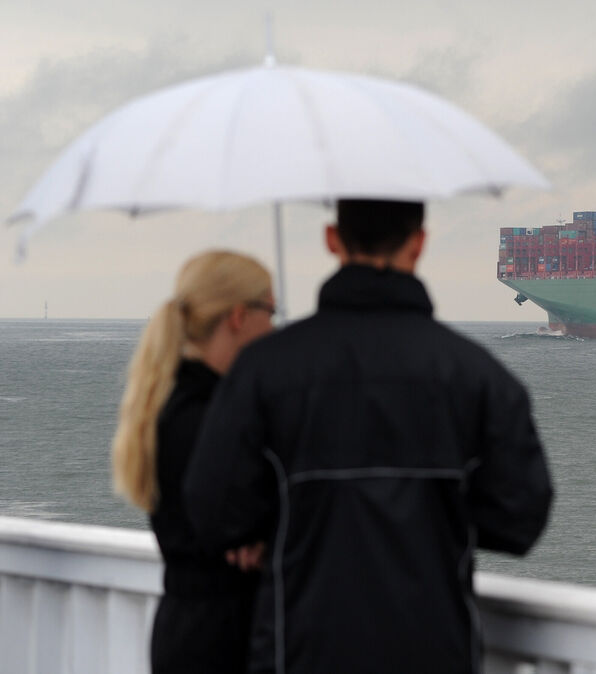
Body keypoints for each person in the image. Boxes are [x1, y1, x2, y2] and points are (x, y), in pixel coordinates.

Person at [183, 199, 553, 674]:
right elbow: (521, 520)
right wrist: (437, 509)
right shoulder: (480, 377)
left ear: (332, 239)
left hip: (298, 653)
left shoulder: (263, 370)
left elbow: (212, 512)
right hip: (435, 655)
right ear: (419, 244)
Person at [111, 249, 276, 673]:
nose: (273, 327)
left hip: (185, 629)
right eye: (270, 312)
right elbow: (243, 519)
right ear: (238, 317)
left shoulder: (167, 403)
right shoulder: (209, 419)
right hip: (225, 636)